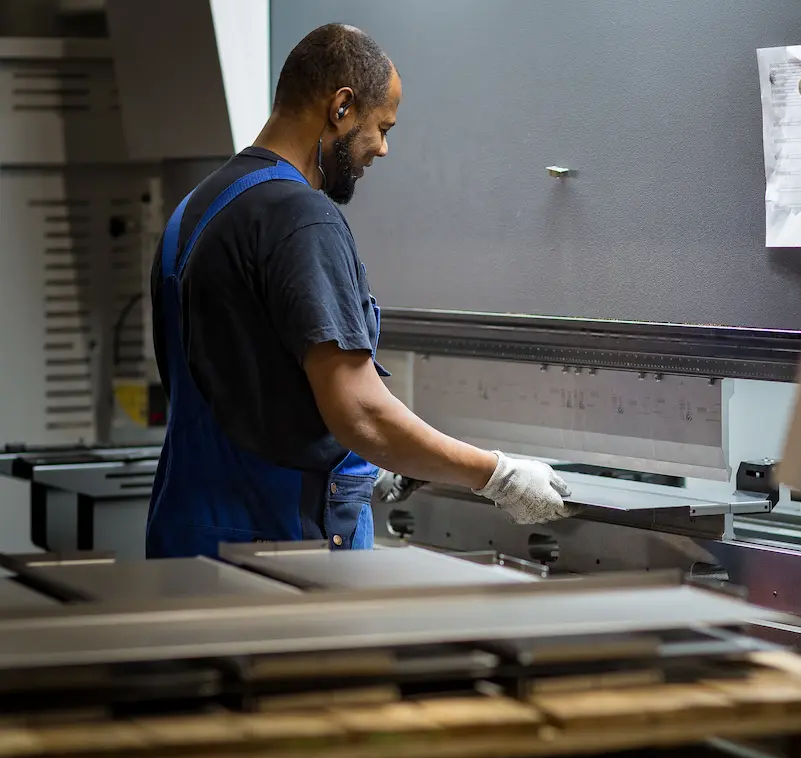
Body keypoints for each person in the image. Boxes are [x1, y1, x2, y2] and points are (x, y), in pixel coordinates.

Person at [145, 23, 572, 558]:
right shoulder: (300, 216)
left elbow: (246, 383)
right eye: (382, 127)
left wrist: (358, 468)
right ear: (341, 107)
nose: (384, 149)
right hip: (280, 552)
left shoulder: (197, 207)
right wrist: (497, 475)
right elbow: (360, 411)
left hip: (191, 536)